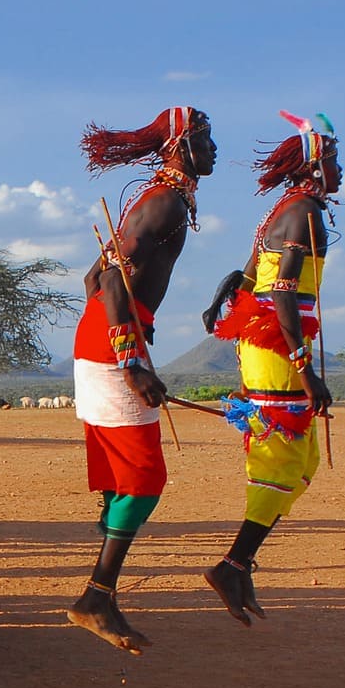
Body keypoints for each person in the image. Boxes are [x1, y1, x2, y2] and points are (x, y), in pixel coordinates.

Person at [65, 105, 216, 653]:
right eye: (204, 138)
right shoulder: (162, 203)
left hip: (108, 336)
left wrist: (131, 333)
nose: (214, 148)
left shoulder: (163, 200)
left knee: (129, 476)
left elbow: (93, 278)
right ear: (177, 146)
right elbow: (107, 278)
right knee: (144, 479)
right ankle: (96, 597)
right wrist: (128, 358)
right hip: (112, 346)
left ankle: (101, 588)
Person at [202, 110, 340, 624]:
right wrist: (306, 369)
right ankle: (232, 563)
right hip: (279, 347)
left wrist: (223, 295)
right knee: (283, 456)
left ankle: (239, 563)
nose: (340, 172)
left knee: (302, 464)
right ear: (313, 167)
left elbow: (249, 275)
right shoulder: (303, 212)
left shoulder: (284, 211)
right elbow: (281, 292)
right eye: (333, 160)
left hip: (268, 341)